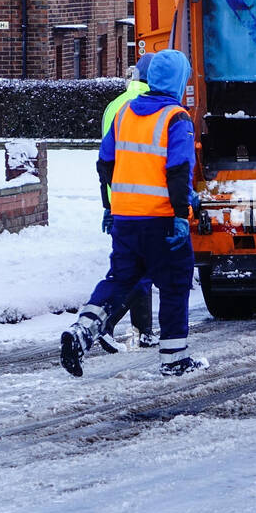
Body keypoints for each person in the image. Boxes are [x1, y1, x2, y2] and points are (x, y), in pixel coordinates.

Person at [61, 48, 206, 378]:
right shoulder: (176, 117)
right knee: (173, 284)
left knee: (120, 279)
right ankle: (174, 359)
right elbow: (179, 170)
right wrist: (182, 213)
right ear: (179, 81)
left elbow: (105, 163)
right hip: (162, 220)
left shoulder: (125, 113)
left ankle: (83, 330)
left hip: (126, 220)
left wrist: (114, 204)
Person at [97, 54, 157, 354]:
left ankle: (144, 331)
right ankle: (104, 323)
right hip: (145, 201)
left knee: (136, 265)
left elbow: (104, 158)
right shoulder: (155, 107)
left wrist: (107, 202)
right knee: (137, 270)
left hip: (118, 196)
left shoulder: (114, 105)